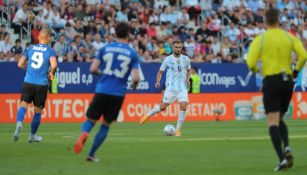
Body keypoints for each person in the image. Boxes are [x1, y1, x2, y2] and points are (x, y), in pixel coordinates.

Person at [247, 8, 307, 171]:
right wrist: (295, 71)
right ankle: (287, 146)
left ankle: (282, 160)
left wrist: (256, 71)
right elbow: (303, 56)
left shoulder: (261, 39)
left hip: (271, 81)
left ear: (265, 21)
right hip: (287, 81)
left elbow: (251, 62)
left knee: (272, 121)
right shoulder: (289, 37)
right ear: (279, 20)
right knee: (280, 118)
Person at [74, 22, 140, 162]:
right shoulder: (132, 53)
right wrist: (133, 86)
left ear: (115, 33)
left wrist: (103, 75)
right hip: (118, 93)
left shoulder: (105, 48)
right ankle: (91, 154)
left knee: (91, 120)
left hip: (102, 89)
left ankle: (84, 134)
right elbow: (136, 78)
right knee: (106, 124)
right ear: (128, 34)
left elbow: (92, 69)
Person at [13, 29, 57, 143]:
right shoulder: (50, 51)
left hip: (28, 82)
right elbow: (54, 65)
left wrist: (28, 70)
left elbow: (19, 64)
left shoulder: (30, 48)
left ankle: (19, 123)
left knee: (23, 104)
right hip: (41, 84)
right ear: (48, 39)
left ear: (38, 38)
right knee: (37, 111)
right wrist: (51, 75)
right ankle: (32, 136)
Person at [140, 40, 191, 136]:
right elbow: (160, 72)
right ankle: (148, 115)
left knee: (184, 105)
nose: (178, 49)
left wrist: (188, 80)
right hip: (171, 87)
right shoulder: (168, 59)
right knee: (163, 107)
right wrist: (158, 81)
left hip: (182, 87)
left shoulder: (186, 59)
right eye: (176, 47)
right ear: (172, 47)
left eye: (180, 47)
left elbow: (188, 70)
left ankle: (177, 130)